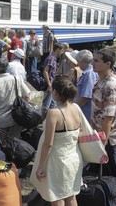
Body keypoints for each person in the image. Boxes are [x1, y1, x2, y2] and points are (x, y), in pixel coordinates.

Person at [30, 76, 82, 206]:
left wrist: (40, 166)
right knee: (70, 195)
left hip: (58, 161)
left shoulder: (54, 113)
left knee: (57, 196)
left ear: (55, 92)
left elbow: (48, 143)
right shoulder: (76, 107)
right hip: (74, 158)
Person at [88, 49, 116, 179]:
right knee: (97, 174)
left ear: (108, 64)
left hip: (109, 139)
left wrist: (102, 145)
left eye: (96, 61)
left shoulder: (110, 85)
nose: (93, 63)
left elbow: (108, 118)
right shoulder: (101, 81)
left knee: (112, 176)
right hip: (100, 136)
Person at [0, 58, 30, 139]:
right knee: (15, 145)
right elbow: (27, 95)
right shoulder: (17, 79)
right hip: (15, 119)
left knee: (1, 148)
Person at [74, 50, 98, 123]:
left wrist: (73, 108)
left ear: (84, 61)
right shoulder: (90, 72)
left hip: (86, 112)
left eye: (78, 61)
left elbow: (86, 97)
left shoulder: (89, 74)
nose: (77, 64)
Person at [42, 43, 65, 117]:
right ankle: (43, 121)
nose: (62, 53)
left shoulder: (53, 58)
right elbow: (45, 71)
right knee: (46, 105)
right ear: (58, 49)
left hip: (52, 84)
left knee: (53, 104)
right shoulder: (51, 58)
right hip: (50, 85)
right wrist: (49, 84)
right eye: (61, 51)